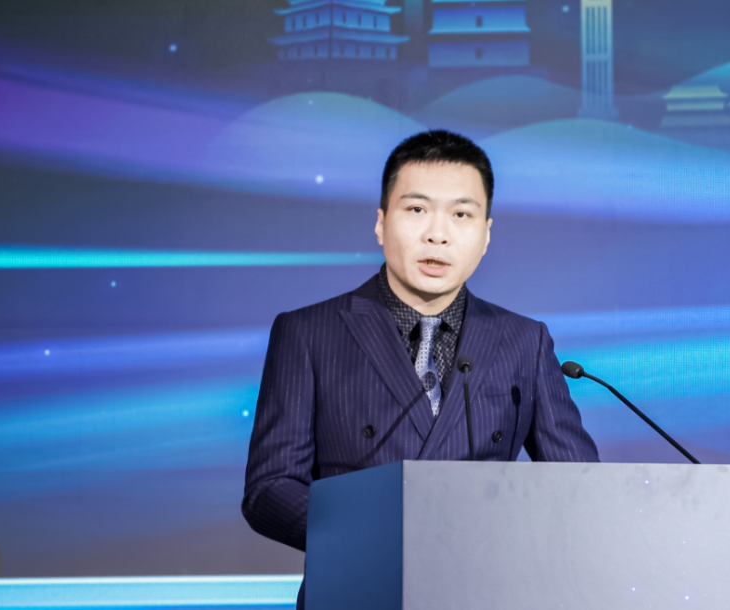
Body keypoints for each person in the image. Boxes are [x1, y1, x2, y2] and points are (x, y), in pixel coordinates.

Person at [242, 130, 599, 602]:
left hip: (485, 592)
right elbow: (270, 489)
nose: (437, 233)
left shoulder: (524, 341)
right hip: (358, 589)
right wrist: (381, 536)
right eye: (416, 210)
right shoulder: (308, 332)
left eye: (461, 214)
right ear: (381, 223)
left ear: (486, 234)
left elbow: (579, 488)